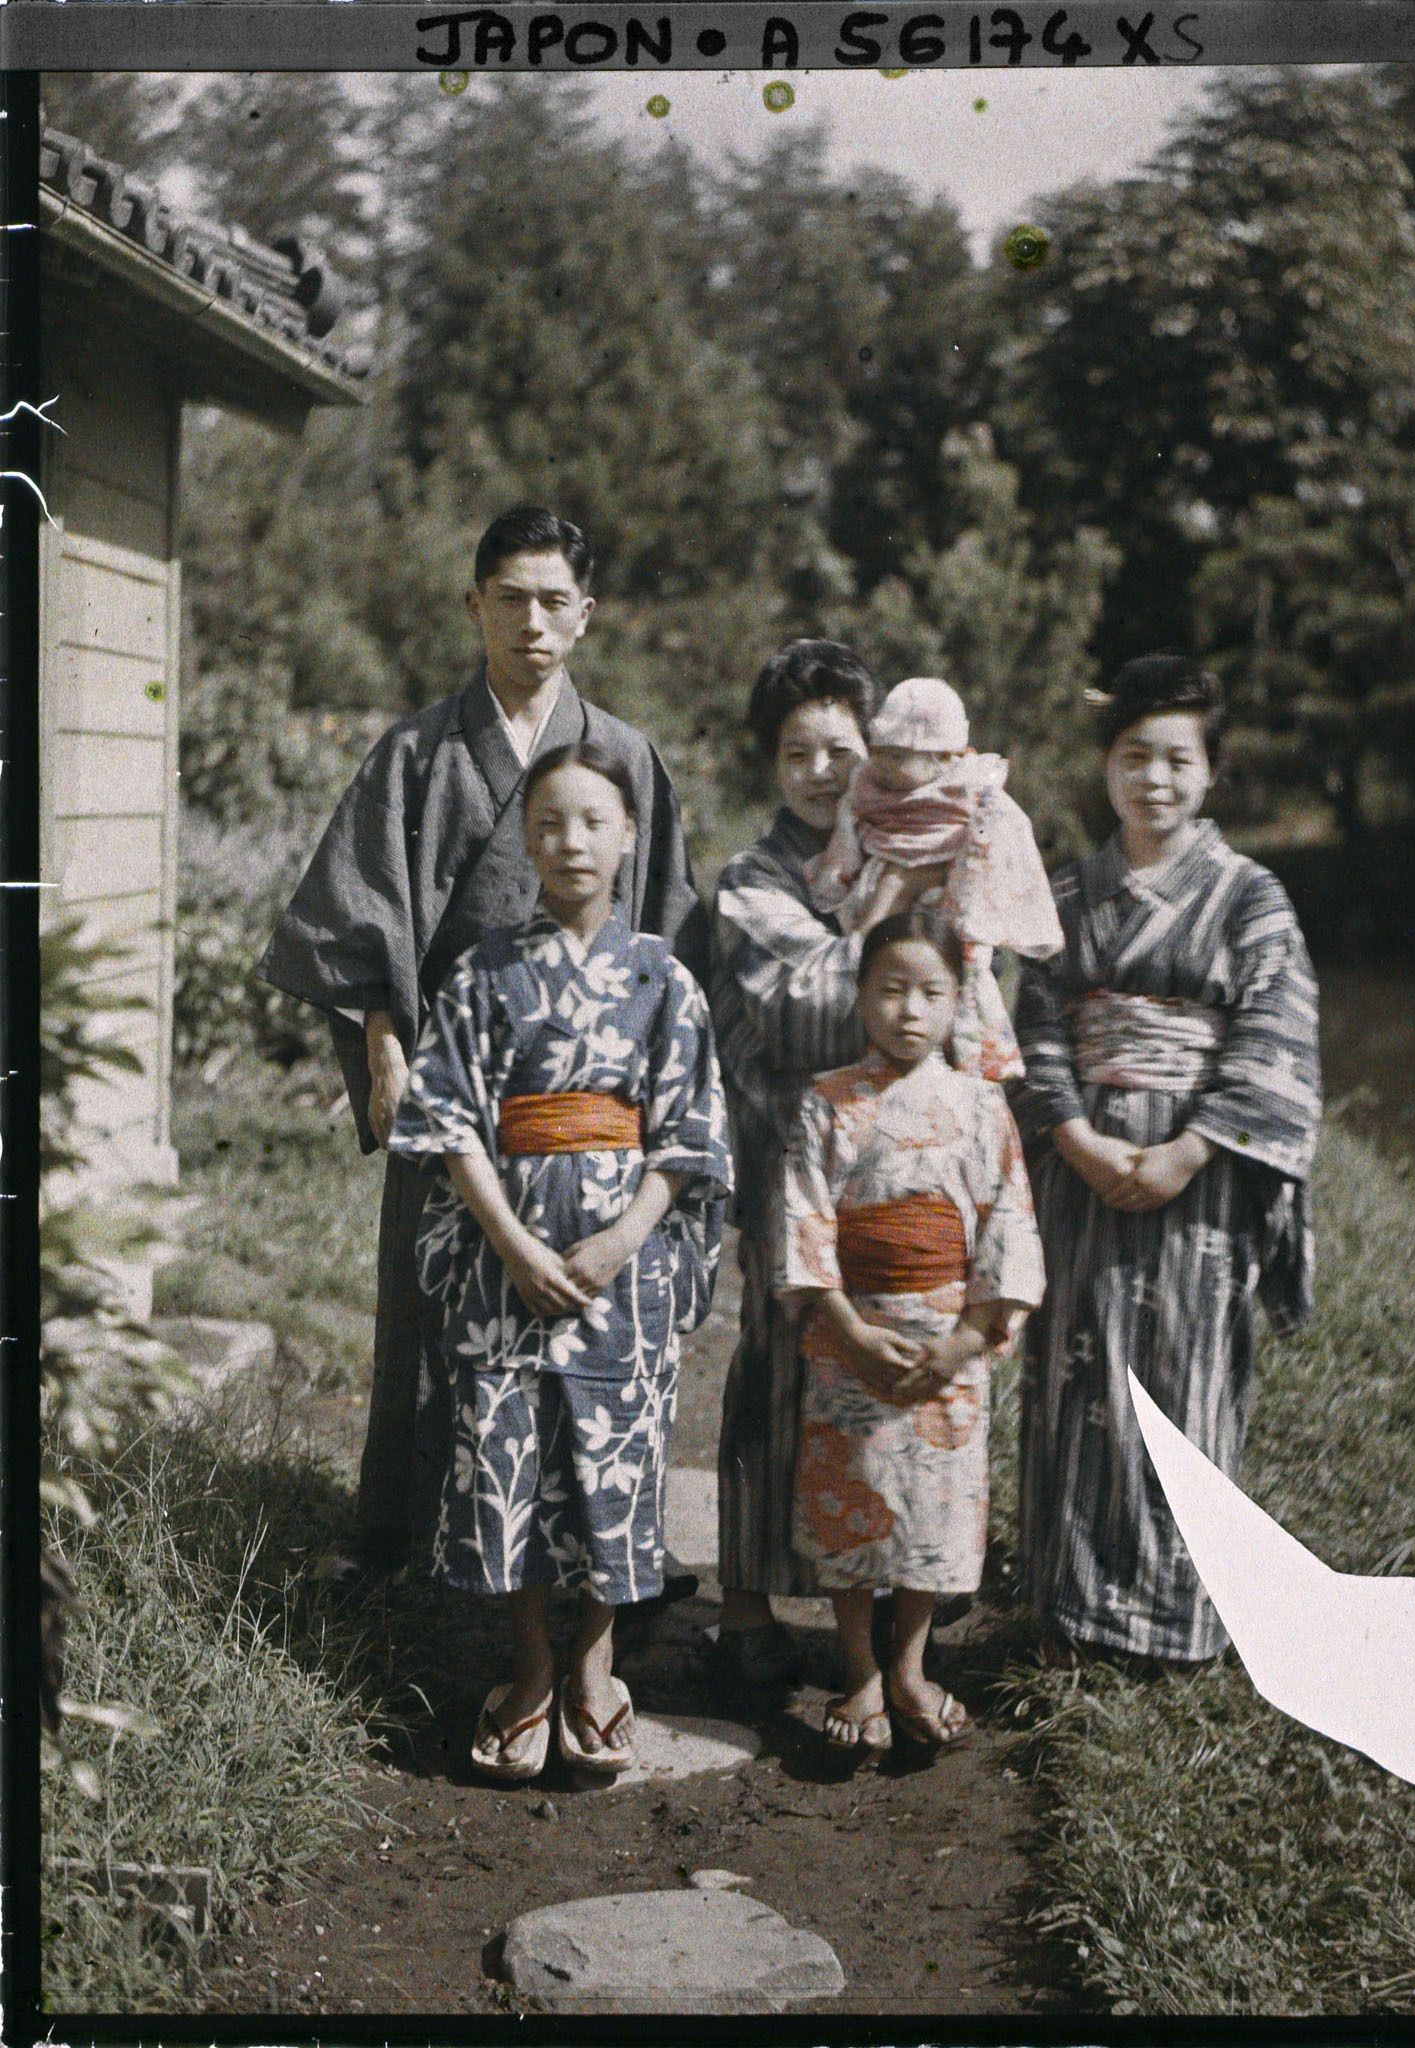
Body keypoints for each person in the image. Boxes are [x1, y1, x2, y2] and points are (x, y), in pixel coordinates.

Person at [258, 507, 706, 1577]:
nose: (532, 621)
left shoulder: (624, 758)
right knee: (431, 1310)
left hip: (587, 1097)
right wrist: (380, 1044)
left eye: (555, 600)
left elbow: (668, 936)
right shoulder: (418, 751)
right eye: (510, 597)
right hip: (449, 1072)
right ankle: (406, 1545)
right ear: (474, 605)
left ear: (586, 615)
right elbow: (359, 916)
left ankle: (581, 1557)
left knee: (581, 1322)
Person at [387, 743, 731, 1780]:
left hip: (621, 1267)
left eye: (593, 820)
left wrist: (626, 1235)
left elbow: (690, 1136)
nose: (570, 841)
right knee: (512, 1464)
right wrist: (514, 1241)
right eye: (549, 823)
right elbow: (448, 1122)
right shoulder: (485, 972)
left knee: (610, 1462)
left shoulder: (663, 976)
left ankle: (597, 1663)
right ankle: (529, 1665)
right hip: (509, 1259)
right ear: (527, 840)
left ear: (629, 836)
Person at [1013, 655, 1321, 1666]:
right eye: (1134, 754)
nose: (1154, 777)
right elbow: (1035, 1028)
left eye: (1177, 758)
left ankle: (1173, 1619)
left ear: (1210, 772)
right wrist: (1073, 1133)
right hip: (1080, 1159)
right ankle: (1067, 1609)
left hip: (1200, 1168)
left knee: (1183, 1372)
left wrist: (1187, 1148)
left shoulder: (1248, 896)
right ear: (1105, 766)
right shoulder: (1064, 893)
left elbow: (1273, 1035)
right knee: (1076, 1365)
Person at [707, 641, 945, 1698]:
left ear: (873, 756)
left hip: (901, 1166)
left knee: (897, 1376)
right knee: (773, 1368)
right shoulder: (749, 881)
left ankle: (897, 1616)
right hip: (783, 1159)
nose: (816, 770)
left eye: (838, 749)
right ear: (770, 763)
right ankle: (750, 1602)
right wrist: (883, 903)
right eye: (794, 750)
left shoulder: (918, 852)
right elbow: (805, 1008)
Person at [778, 910, 1046, 1757]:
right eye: (889, 989)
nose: (908, 1010)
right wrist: (849, 1331)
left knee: (932, 1508)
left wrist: (966, 1342)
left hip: (946, 1340)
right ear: (859, 997)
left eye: (930, 992)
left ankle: (908, 1663)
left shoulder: (980, 1105)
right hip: (853, 1332)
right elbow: (803, 1221)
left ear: (958, 1001)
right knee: (853, 1497)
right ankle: (856, 1666)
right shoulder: (828, 1103)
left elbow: (1009, 1225)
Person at [808, 675, 1062, 1080]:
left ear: (945, 758)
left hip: (951, 904)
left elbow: (1002, 842)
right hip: (877, 903)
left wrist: (965, 905)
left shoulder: (974, 790)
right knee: (880, 991)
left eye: (902, 755)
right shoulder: (867, 785)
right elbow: (847, 831)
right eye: (882, 752)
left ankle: (974, 1056)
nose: (885, 766)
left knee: (959, 987)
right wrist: (842, 877)